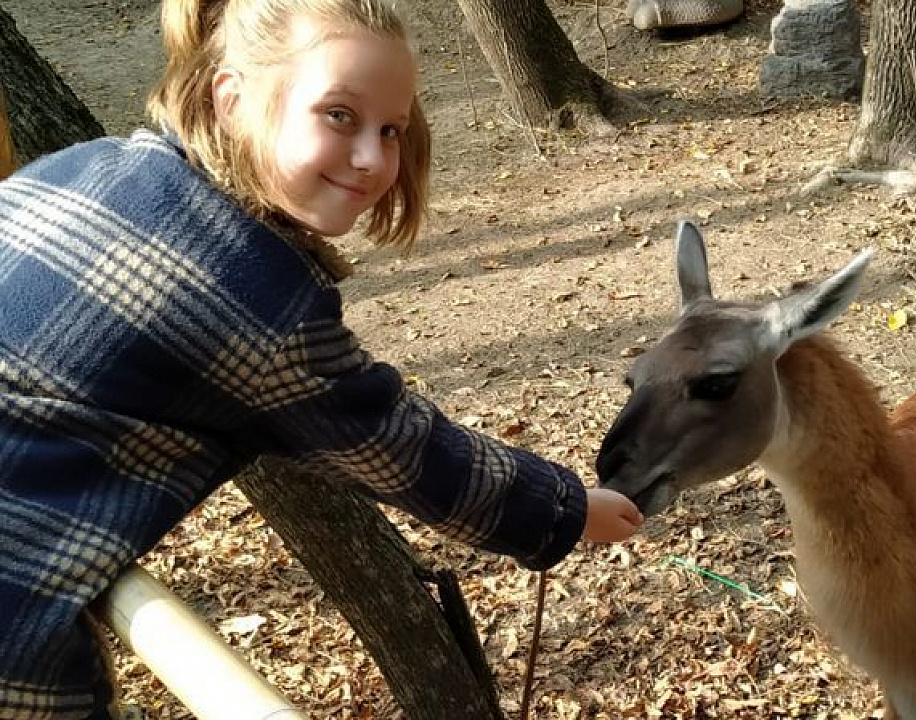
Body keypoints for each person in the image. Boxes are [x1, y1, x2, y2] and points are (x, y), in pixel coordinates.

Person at [0, 0, 644, 717]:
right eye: (340, 115)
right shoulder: (255, 294)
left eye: (391, 129)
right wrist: (565, 510)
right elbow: (403, 452)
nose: (373, 158)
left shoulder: (82, 166)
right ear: (231, 99)